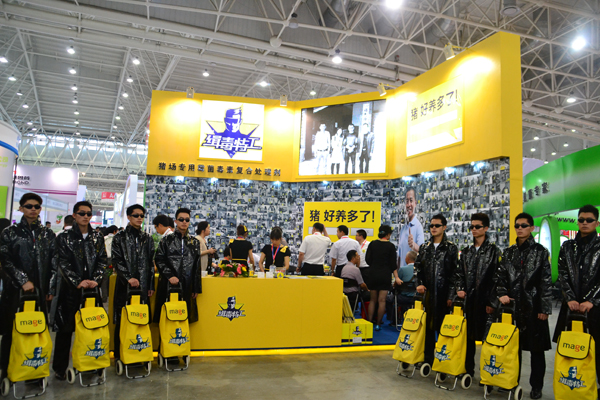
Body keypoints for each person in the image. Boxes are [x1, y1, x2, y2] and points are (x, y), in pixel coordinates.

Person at [495, 212, 552, 400]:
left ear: (532, 228)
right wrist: (501, 293)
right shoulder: (509, 252)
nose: (520, 229)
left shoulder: (541, 252)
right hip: (512, 307)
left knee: (537, 350)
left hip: (534, 306)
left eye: (524, 225)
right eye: (517, 225)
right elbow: (501, 276)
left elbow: (545, 281)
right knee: (511, 348)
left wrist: (544, 308)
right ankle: (510, 381)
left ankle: (536, 387)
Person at [0, 193, 56, 381]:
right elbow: (5, 260)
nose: (33, 209)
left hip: (40, 291)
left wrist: (50, 288)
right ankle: (5, 370)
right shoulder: (10, 233)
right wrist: (23, 280)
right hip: (15, 290)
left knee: (38, 330)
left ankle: (35, 372)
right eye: (29, 206)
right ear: (21, 208)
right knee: (11, 330)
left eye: (36, 206)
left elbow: (54, 262)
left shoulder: (48, 234)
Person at [53, 201, 107, 380]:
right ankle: (60, 368)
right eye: (82, 213)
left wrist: (95, 280)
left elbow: (102, 260)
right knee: (65, 329)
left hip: (92, 291)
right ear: (74, 215)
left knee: (92, 328)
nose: (85, 216)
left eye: (89, 214)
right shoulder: (64, 237)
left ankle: (92, 363)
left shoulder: (97, 237)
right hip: (70, 290)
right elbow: (62, 262)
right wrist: (77, 281)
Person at [553, 204, 600, 397]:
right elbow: (562, 274)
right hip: (571, 309)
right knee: (569, 350)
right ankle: (570, 389)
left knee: (597, 351)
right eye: (581, 220)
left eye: (589, 220)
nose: (584, 223)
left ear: (597, 223)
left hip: (595, 309)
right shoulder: (567, 247)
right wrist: (570, 298)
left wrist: (592, 300)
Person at [454, 213, 501, 379]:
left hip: (486, 302)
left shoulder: (494, 252)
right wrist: (460, 288)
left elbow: (498, 278)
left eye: (477, 227)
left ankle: (488, 374)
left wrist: (492, 302)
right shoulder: (466, 252)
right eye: (472, 227)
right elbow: (459, 273)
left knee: (488, 340)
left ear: (486, 228)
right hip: (469, 301)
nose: (474, 229)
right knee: (468, 338)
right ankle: (468, 370)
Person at [111, 204, 155, 362]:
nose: (139, 218)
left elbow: (150, 263)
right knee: (122, 318)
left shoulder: (147, 238)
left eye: (142, 215)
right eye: (136, 215)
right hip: (125, 285)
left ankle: (139, 353)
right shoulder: (119, 238)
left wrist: (150, 284)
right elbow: (117, 261)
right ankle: (119, 354)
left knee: (141, 319)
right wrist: (128, 278)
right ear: (129, 217)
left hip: (143, 285)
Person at [415, 214, 459, 367]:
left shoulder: (451, 248)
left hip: (443, 294)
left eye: (437, 225)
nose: (433, 228)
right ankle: (427, 359)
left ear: (444, 227)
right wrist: (419, 284)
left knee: (443, 328)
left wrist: (451, 295)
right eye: (431, 226)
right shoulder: (424, 247)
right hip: (427, 294)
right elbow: (418, 269)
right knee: (426, 327)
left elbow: (454, 273)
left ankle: (442, 359)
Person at [153, 208, 201, 325]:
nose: (184, 222)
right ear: (175, 221)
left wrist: (196, 287)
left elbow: (197, 265)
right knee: (167, 316)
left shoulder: (194, 242)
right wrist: (169, 276)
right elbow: (159, 260)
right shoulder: (166, 240)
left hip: (188, 284)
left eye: (187, 220)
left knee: (184, 317)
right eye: (181, 219)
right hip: (168, 284)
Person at [365, 225, 400, 330]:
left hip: (373, 274)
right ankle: (378, 324)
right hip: (385, 275)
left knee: (372, 300)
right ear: (388, 234)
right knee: (382, 300)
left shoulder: (372, 244)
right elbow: (393, 265)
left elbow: (367, 260)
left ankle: (369, 322)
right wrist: (396, 277)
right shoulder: (391, 246)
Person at [398, 187, 424, 269]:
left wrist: (413, 245)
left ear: (415, 203)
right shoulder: (403, 229)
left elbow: (422, 251)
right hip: (402, 274)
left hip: (412, 274)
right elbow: (399, 255)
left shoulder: (418, 227)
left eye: (411, 200)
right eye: (407, 201)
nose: (409, 204)